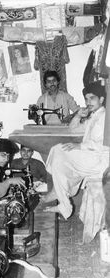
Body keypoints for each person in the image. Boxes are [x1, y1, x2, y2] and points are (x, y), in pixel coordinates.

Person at [43, 81, 109, 220]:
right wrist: (78, 116)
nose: (88, 101)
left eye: (92, 98)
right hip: (91, 156)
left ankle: (62, 197)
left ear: (101, 99)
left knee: (59, 152)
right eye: (86, 98)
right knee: (59, 154)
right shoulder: (94, 116)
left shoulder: (105, 117)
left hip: (100, 160)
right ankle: (63, 198)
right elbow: (73, 130)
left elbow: (105, 145)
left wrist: (80, 146)